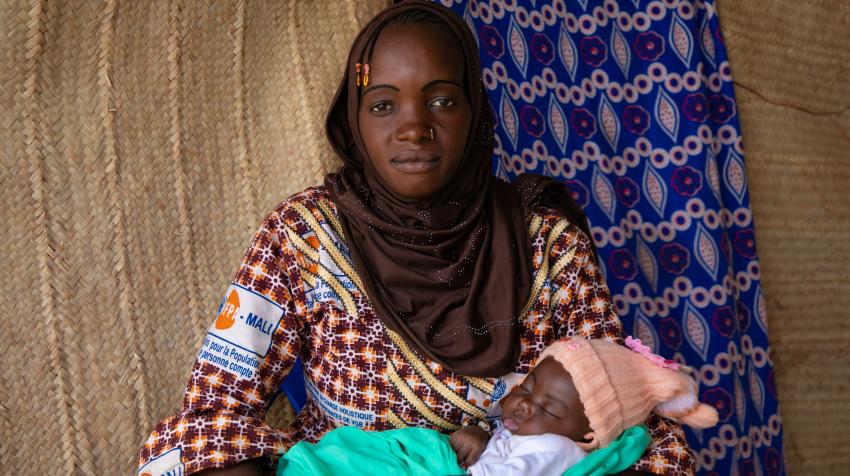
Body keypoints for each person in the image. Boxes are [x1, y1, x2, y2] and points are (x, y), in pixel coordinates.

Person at [138, 2, 696, 475]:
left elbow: (622, 410)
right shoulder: (302, 235)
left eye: (442, 100)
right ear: (354, 118)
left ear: (474, 111)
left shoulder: (549, 243)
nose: (413, 127)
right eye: (383, 104)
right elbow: (216, 402)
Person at [272, 336, 717, 476]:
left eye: (548, 409)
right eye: (529, 386)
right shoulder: (542, 433)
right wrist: (483, 439)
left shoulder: (556, 452)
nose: (525, 406)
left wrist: (456, 455)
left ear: (587, 437)